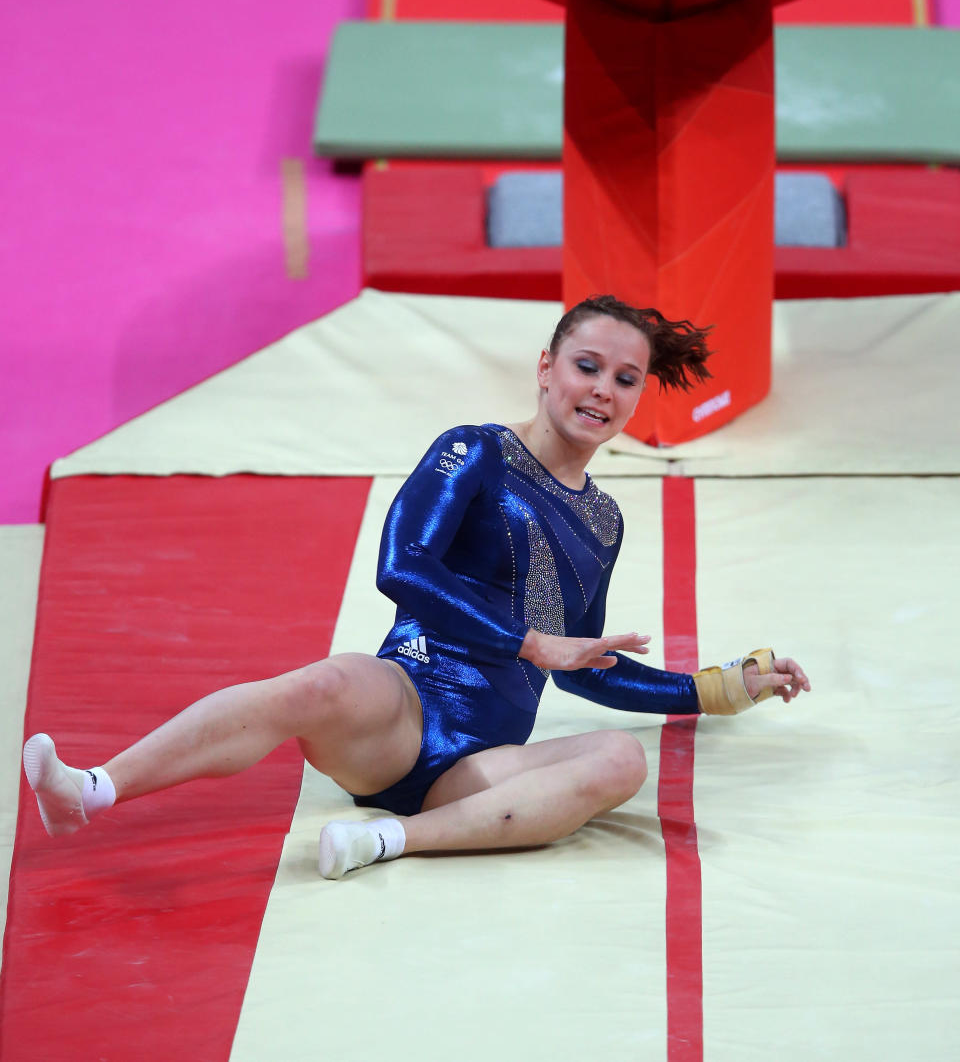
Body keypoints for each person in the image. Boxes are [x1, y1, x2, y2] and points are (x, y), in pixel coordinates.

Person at [23, 295, 810, 880]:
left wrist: (721, 689)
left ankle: (390, 842)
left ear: (639, 397)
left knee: (618, 765)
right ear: (545, 369)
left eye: (626, 377)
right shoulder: (474, 453)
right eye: (587, 365)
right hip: (401, 706)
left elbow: (590, 667)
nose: (603, 388)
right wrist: (530, 643)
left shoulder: (603, 522)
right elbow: (401, 568)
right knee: (322, 679)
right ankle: (93, 788)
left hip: (484, 768)